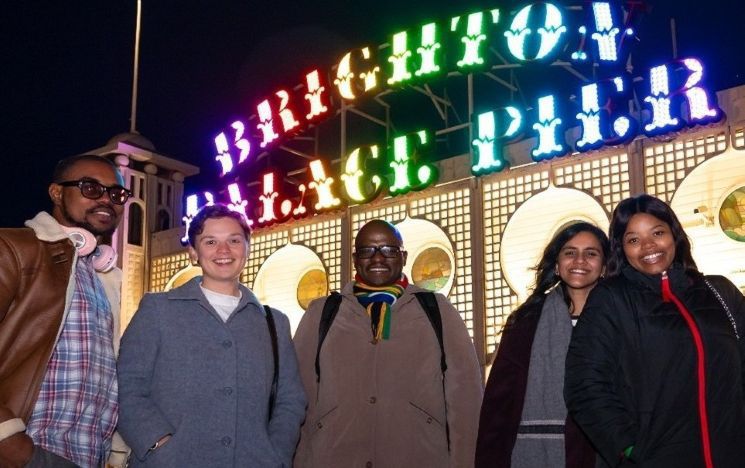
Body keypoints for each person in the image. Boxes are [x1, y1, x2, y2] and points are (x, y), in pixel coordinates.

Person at [117, 204, 306, 468]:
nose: (224, 251)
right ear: (193, 252)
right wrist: (157, 445)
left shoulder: (274, 322)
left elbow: (291, 399)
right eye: (210, 241)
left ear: (247, 248)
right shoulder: (158, 309)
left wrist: (275, 454)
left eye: (234, 240)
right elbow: (127, 386)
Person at [565, 194, 745, 468]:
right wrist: (628, 447)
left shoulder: (718, 291)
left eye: (657, 233)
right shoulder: (612, 299)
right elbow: (584, 384)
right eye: (633, 239)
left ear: (674, 234)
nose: (648, 246)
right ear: (622, 249)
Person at [293, 219, 483, 468]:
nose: (378, 258)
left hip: (418, 456)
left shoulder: (436, 310)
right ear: (355, 258)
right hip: (334, 456)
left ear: (403, 256)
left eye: (388, 250)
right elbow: (299, 395)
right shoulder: (322, 313)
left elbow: (465, 398)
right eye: (367, 250)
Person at [0, 154, 130, 467]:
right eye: (90, 188)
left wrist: (116, 452)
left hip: (88, 457)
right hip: (29, 451)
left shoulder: (107, 277)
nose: (106, 200)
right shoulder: (15, 249)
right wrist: (11, 444)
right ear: (57, 193)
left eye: (116, 194)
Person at [475, 222, 607, 468]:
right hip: (538, 454)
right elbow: (499, 403)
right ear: (557, 266)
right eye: (570, 252)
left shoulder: (620, 320)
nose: (580, 260)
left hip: (606, 453)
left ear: (604, 267)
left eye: (591, 253)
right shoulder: (527, 322)